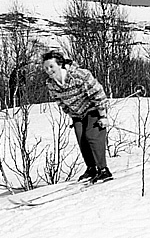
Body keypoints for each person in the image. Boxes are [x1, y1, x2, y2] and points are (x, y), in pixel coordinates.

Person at [42, 50, 113, 183]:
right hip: (77, 114)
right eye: (46, 68)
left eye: (51, 66)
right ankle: (92, 169)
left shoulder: (79, 75)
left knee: (92, 137)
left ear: (60, 64)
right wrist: (70, 113)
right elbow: (60, 101)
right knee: (82, 140)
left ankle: (104, 170)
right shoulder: (51, 84)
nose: (49, 70)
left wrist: (103, 116)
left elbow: (98, 93)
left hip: (93, 109)